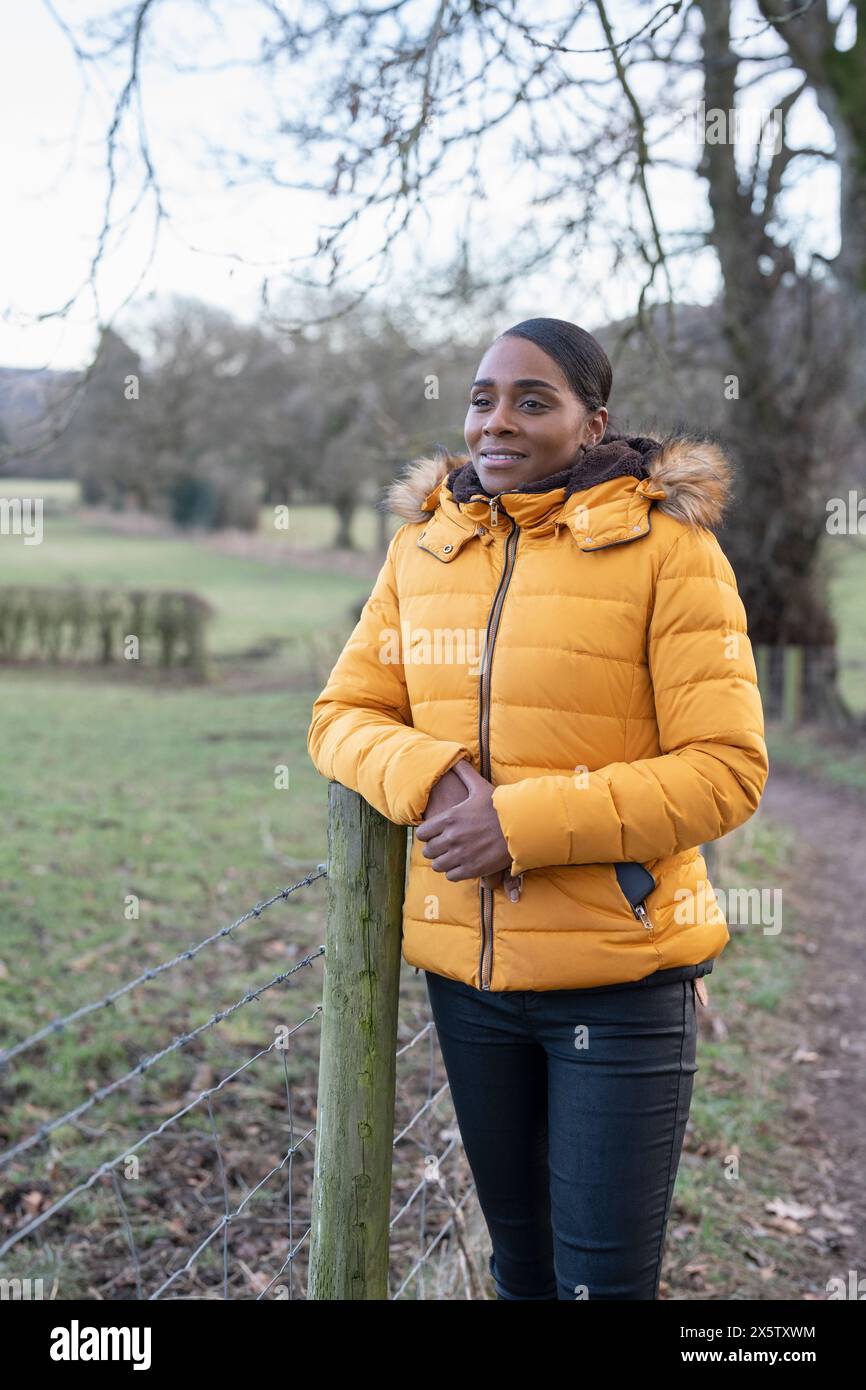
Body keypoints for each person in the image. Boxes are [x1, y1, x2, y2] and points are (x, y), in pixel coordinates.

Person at [306, 317, 769, 1299]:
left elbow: (724, 770)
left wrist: (513, 823)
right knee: (520, 1273)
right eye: (482, 397)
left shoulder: (666, 551)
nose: (497, 420)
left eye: (531, 399)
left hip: (621, 982)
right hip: (468, 990)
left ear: (590, 419)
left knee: (598, 1284)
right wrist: (427, 773)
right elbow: (340, 716)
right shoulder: (422, 552)